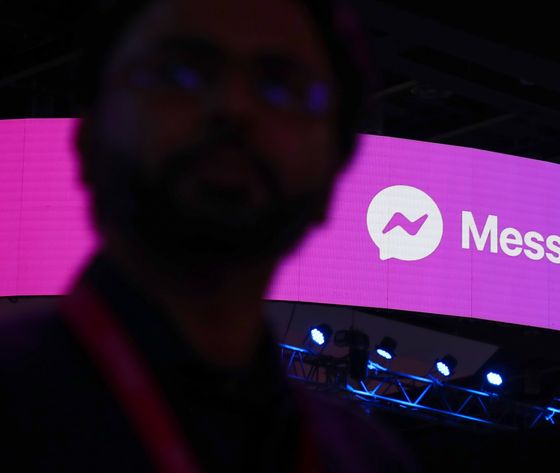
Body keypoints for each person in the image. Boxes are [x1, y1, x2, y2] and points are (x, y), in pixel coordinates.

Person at [0, 0, 416, 471]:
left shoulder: (366, 460)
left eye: (281, 87)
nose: (234, 108)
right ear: (88, 137)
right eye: (180, 74)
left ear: (333, 177)